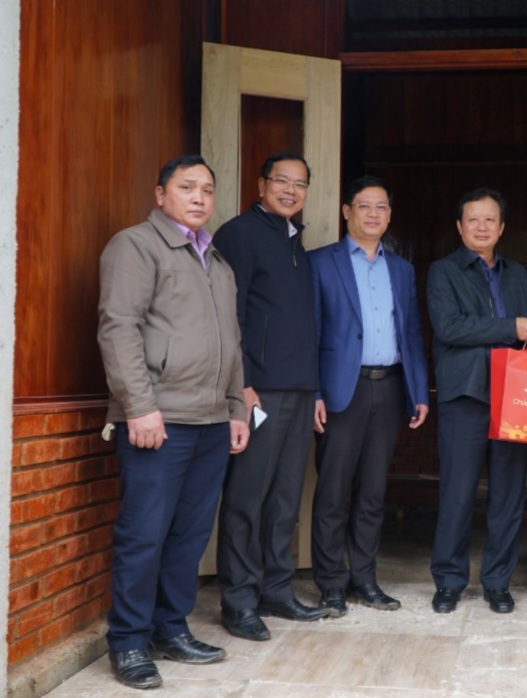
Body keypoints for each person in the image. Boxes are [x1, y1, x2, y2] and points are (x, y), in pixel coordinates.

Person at [97, 155, 249, 690]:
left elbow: (232, 344)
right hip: (159, 419)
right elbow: (118, 328)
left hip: (210, 420)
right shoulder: (136, 245)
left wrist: (235, 408)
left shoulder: (218, 263)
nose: (199, 197)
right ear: (161, 194)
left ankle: (170, 628)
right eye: (187, 187)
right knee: (144, 534)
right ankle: (128, 641)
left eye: (207, 188)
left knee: (188, 535)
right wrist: (138, 406)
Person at [214, 152, 330, 643]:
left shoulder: (295, 241)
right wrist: (241, 385)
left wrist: (315, 389)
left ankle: (276, 590)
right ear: (261, 184)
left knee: (284, 499)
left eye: (300, 184)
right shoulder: (239, 234)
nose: (290, 190)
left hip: (299, 391)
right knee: (247, 497)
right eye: (281, 181)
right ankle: (239, 600)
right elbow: (230, 315)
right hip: (259, 390)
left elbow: (305, 326)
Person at [427, 187, 527, 614]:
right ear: (459, 226)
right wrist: (509, 327)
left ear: (501, 228)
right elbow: (449, 327)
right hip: (465, 395)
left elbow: (525, 330)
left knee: (508, 495)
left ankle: (498, 582)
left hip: (513, 396)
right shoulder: (443, 271)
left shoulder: (516, 273)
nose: (481, 227)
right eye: (473, 219)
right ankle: (449, 581)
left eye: (490, 220)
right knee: (458, 494)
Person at [309, 175, 429, 616]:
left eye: (381, 207)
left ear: (390, 215)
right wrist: (314, 392)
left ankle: (364, 579)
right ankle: (331, 582)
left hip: (390, 386)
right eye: (364, 206)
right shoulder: (321, 262)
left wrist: (418, 390)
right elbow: (310, 334)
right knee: (333, 492)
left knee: (374, 493)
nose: (373, 214)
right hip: (343, 391)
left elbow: (411, 333)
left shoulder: (401, 269)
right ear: (347, 211)